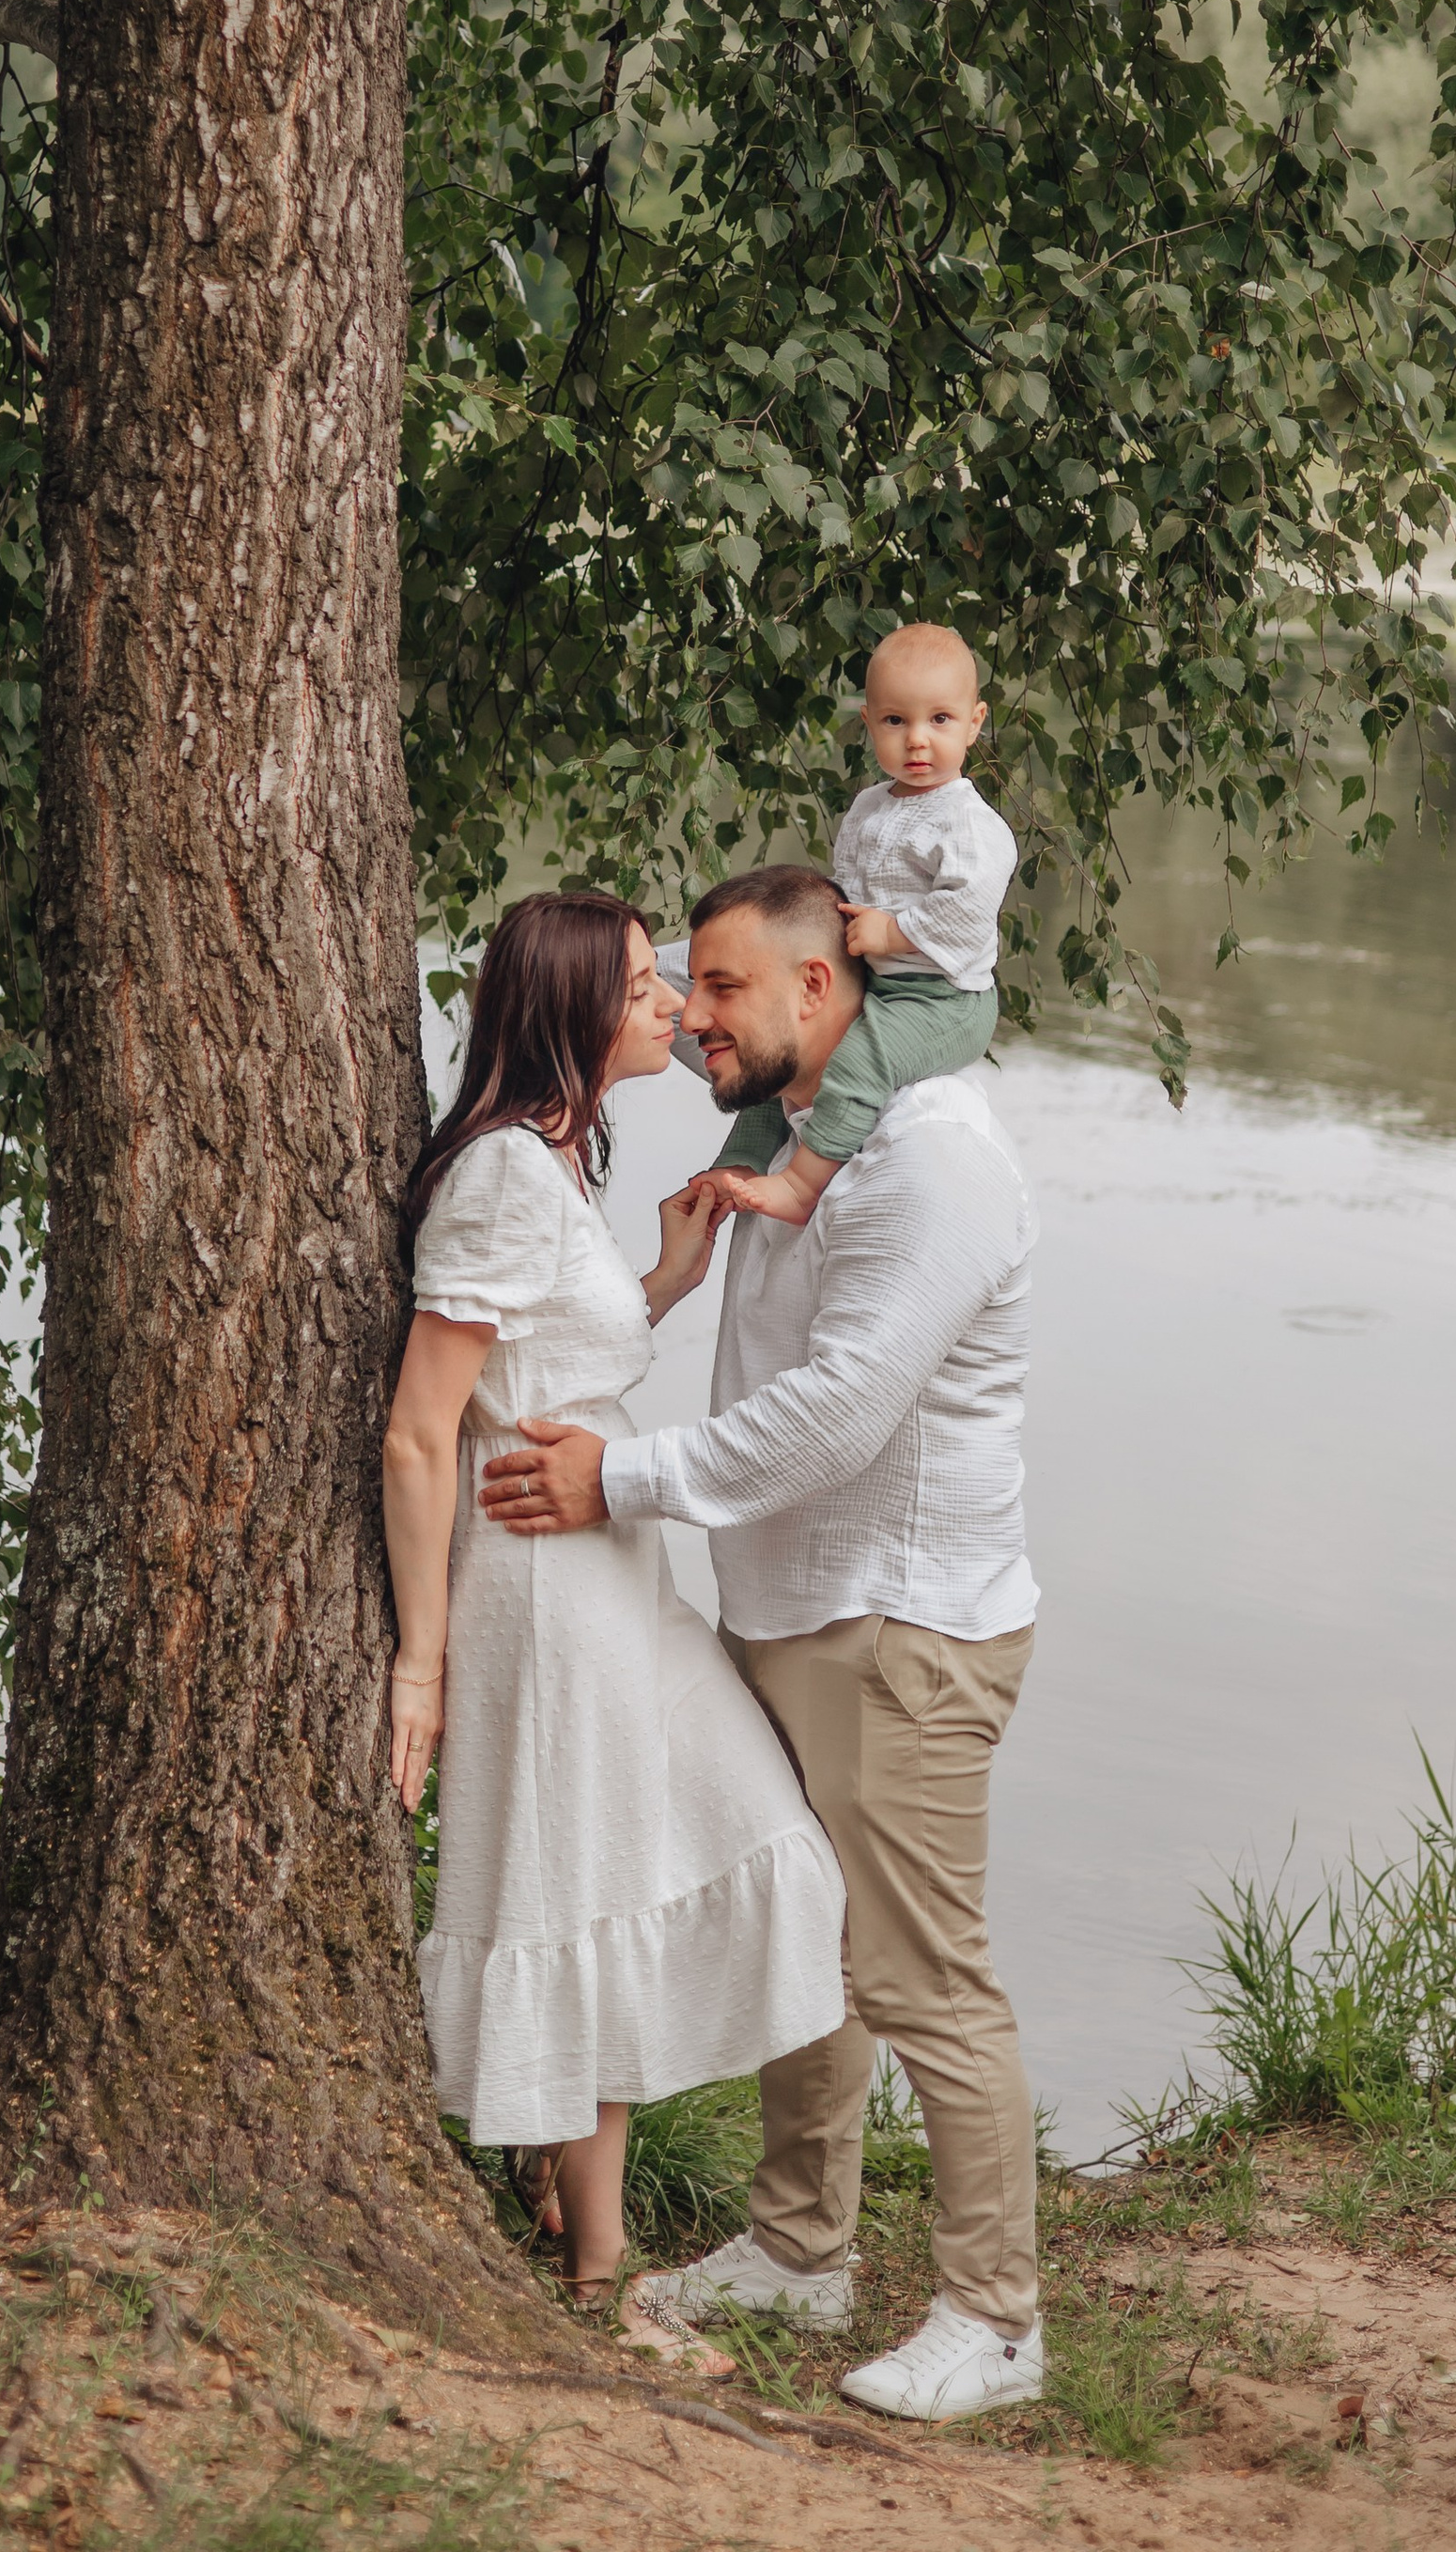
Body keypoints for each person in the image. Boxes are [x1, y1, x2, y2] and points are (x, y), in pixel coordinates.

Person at [480, 864, 1044, 2425]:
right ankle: (801, 2249)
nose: (696, 1016)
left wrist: (622, 1478)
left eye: (723, 988)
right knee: (815, 1938)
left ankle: (998, 2319)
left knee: (923, 1975)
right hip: (797, 1611)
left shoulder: (936, 1158)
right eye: (692, 987)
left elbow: (845, 1415)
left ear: (821, 989)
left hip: (904, 1622)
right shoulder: (803, 1139)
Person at [385, 891, 848, 2355]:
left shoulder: (553, 1165)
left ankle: (556, 2172)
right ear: (577, 1007)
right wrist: (420, 1661)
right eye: (647, 985)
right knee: (589, 1893)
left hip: (613, 1568)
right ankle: (598, 2275)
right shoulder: (505, 1178)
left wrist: (664, 1278)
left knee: (749, 1839)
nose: (675, 1008)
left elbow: (553, 1369)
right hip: (545, 1589)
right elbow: (421, 1434)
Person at [711, 624, 1015, 1231]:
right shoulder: (870, 807)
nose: (918, 741)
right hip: (874, 978)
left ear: (975, 722)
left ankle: (802, 1184)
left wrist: (893, 934)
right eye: (896, 722)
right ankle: (743, 1159)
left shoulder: (968, 824)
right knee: (786, 1048)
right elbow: (843, 896)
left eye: (941, 720)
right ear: (869, 722)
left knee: (856, 1061)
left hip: (942, 997)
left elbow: (969, 909)